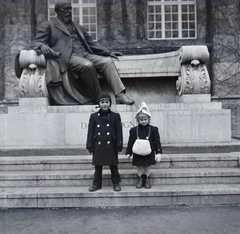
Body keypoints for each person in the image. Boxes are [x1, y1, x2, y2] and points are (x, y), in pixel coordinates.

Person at [31, 0, 134, 105]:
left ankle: (120, 95)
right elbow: (36, 42)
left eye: (70, 8)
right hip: (68, 57)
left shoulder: (78, 27)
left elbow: (92, 44)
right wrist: (42, 46)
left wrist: (107, 52)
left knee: (107, 61)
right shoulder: (48, 25)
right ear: (57, 11)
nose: (69, 11)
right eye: (65, 9)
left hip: (85, 54)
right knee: (87, 65)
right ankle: (99, 98)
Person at [86, 92, 123, 192]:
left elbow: (119, 131)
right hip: (98, 144)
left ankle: (116, 183)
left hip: (111, 144)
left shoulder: (115, 116)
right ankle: (96, 184)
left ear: (110, 103)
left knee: (113, 165)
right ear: (99, 104)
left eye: (107, 102)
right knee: (98, 166)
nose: (105, 104)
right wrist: (89, 145)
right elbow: (90, 131)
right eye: (102, 102)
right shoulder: (94, 116)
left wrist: (119, 144)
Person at [126, 102, 162, 189]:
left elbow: (157, 142)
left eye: (145, 119)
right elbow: (130, 141)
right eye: (141, 120)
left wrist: (159, 152)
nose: (144, 121)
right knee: (139, 165)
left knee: (147, 165)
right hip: (138, 151)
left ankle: (146, 179)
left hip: (148, 151)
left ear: (149, 119)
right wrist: (129, 152)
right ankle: (140, 178)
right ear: (138, 120)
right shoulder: (134, 130)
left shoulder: (153, 129)